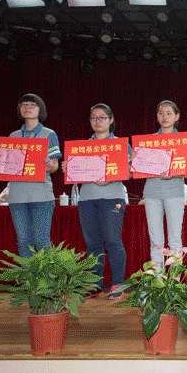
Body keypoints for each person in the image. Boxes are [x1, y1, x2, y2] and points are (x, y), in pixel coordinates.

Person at [62, 104, 131, 299]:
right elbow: (76, 173)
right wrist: (69, 167)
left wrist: (111, 177)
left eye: (102, 117)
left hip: (112, 197)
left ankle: (118, 284)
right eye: (93, 117)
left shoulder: (120, 144)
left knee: (113, 241)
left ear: (111, 120)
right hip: (87, 198)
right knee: (92, 244)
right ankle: (94, 284)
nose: (97, 121)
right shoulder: (82, 146)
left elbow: (131, 172)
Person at [0, 94, 61, 258]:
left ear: (40, 110)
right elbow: (6, 165)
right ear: (19, 110)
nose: (27, 108)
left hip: (41, 196)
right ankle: (27, 275)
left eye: (32, 105)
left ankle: (45, 276)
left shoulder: (49, 134)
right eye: (24, 105)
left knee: (42, 241)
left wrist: (50, 166)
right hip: (17, 197)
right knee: (23, 242)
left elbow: (55, 166)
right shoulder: (13, 136)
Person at [135, 100, 186, 270]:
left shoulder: (183, 141)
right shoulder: (148, 141)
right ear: (157, 116)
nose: (164, 117)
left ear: (177, 116)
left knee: (175, 240)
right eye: (161, 113)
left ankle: (175, 280)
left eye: (169, 113)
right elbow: (138, 168)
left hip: (175, 193)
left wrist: (174, 174)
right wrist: (136, 159)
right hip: (152, 193)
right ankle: (157, 278)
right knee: (156, 241)